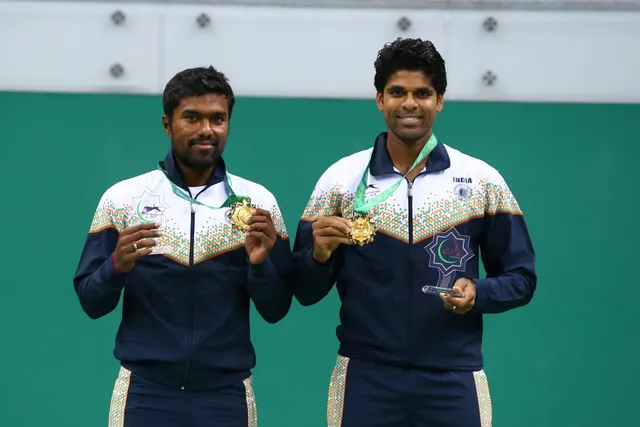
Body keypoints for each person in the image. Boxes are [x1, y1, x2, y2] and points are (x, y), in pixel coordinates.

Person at [291, 38, 536, 427]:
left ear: (439, 100)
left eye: (422, 93)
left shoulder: (481, 181)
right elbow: (303, 290)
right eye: (397, 93)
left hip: (453, 376)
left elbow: (522, 278)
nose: (409, 104)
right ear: (379, 99)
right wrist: (318, 256)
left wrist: (480, 292)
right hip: (366, 376)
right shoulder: (340, 181)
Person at [73, 66, 293, 427]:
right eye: (192, 117)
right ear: (167, 124)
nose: (206, 129)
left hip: (226, 395)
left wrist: (259, 266)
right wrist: (116, 267)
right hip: (145, 394)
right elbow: (91, 302)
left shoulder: (257, 203)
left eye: (217, 119)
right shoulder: (124, 199)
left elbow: (276, 308)